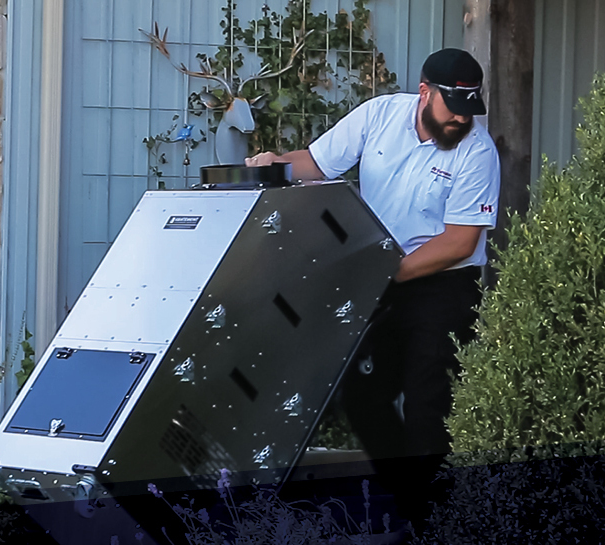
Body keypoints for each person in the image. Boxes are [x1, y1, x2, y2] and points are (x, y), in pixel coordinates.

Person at [245, 48, 500, 536]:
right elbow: (318, 164)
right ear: (425, 92)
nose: (462, 117)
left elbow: (460, 241)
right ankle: (411, 502)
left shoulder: (477, 151)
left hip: (443, 285)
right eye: (453, 105)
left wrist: (383, 275)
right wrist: (276, 163)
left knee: (430, 408)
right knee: (361, 394)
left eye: (470, 107)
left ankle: (432, 522)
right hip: (384, 276)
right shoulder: (378, 115)